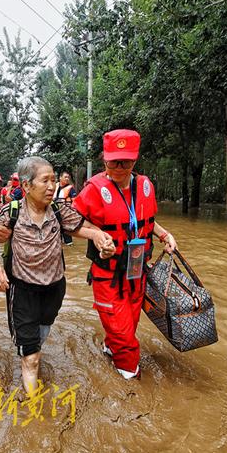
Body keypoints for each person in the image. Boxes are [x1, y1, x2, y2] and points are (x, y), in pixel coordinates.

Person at [0, 156, 114, 396]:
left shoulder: (59, 211)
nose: (52, 186)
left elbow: (83, 228)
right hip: (22, 291)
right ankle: (32, 404)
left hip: (54, 289)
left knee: (41, 333)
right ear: (27, 186)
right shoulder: (12, 212)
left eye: (53, 180)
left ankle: (28, 345)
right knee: (31, 358)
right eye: (45, 181)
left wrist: (100, 238)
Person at [73, 129, 177, 380]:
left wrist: (165, 235)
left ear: (135, 159)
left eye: (126, 161)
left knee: (129, 323)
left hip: (137, 270)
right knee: (124, 334)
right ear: (104, 160)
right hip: (108, 274)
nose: (120, 167)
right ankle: (130, 374)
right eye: (113, 161)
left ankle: (110, 347)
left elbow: (147, 221)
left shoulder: (144, 185)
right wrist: (96, 235)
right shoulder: (94, 188)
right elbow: (71, 223)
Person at [55, 170, 77, 245]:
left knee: (66, 227)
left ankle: (69, 243)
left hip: (66, 211)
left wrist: (73, 212)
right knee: (56, 227)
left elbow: (75, 201)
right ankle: (58, 242)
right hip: (54, 211)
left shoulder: (71, 189)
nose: (67, 179)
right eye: (65, 177)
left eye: (68, 177)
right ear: (60, 178)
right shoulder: (55, 186)